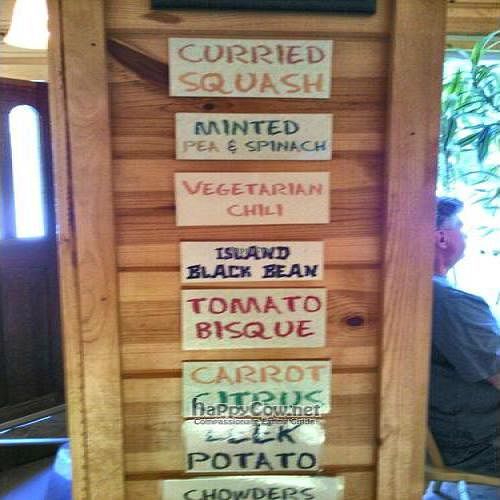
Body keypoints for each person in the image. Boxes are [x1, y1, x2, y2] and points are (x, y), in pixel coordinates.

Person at [429, 197, 499, 482]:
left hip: (454, 433)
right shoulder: (451, 302)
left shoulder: (426, 291)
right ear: (442, 238)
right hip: (481, 444)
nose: (466, 234)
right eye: (459, 226)